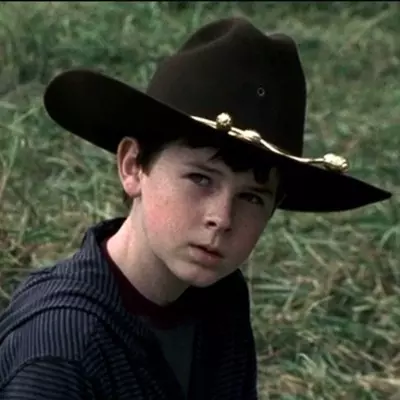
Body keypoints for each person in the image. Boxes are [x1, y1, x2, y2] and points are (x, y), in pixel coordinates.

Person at [0, 16, 391, 400]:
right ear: (133, 166)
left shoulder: (219, 295)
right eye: (201, 179)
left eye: (252, 197)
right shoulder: (60, 351)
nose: (222, 218)